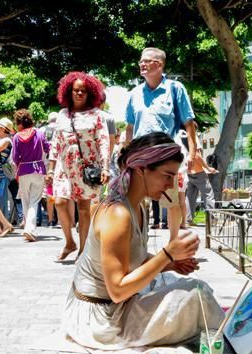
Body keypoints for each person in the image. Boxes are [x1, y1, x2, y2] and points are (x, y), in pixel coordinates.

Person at [63, 132, 224, 349]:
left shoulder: (138, 205)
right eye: (167, 176)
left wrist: (171, 264)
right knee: (197, 294)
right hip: (101, 319)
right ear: (141, 169)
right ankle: (234, 341)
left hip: (112, 307)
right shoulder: (118, 214)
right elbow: (118, 291)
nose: (170, 185)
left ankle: (228, 334)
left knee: (182, 288)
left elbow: (132, 257)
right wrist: (167, 254)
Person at [125, 47, 198, 240]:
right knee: (138, 201)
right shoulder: (135, 94)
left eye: (147, 61)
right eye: (141, 61)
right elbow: (130, 127)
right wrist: (125, 153)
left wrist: (192, 154)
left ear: (159, 64)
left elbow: (189, 124)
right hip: (140, 156)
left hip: (167, 155)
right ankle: (138, 243)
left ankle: (173, 243)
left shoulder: (175, 89)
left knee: (172, 200)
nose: (142, 64)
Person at [46, 71, 110, 261]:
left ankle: (83, 250)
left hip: (86, 167)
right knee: (59, 202)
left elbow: (103, 142)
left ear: (90, 93)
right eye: (76, 90)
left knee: (83, 209)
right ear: (69, 92)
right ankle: (69, 242)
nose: (79, 94)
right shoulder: (62, 115)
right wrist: (50, 168)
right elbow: (56, 142)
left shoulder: (97, 115)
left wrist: (105, 167)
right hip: (64, 167)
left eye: (83, 91)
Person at [11, 108, 50, 242]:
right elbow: (47, 148)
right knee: (35, 201)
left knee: (25, 201)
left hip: (23, 171)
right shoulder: (39, 133)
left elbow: (15, 157)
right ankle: (29, 228)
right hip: (38, 169)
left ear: (20, 123)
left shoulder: (16, 137)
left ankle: (28, 228)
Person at [186, 147, 216, 224]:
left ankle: (188, 219)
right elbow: (197, 155)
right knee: (208, 194)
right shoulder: (193, 138)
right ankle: (211, 218)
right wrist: (208, 168)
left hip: (189, 173)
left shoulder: (181, 138)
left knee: (190, 197)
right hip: (198, 172)